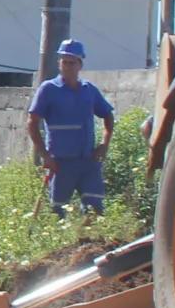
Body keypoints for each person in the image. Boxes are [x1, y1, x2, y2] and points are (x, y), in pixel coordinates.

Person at [26, 39, 115, 215]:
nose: (67, 66)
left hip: (88, 161)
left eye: (71, 62)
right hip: (60, 163)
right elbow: (32, 122)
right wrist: (45, 156)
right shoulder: (49, 89)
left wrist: (104, 144)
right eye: (64, 61)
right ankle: (60, 242)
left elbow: (108, 116)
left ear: (80, 64)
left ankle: (90, 242)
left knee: (95, 210)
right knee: (58, 213)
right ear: (60, 63)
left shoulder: (88, 89)